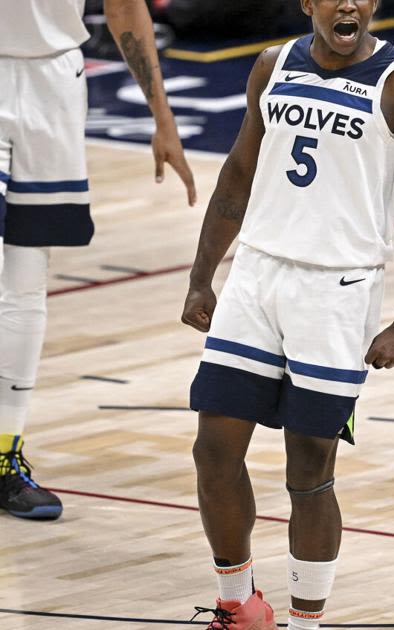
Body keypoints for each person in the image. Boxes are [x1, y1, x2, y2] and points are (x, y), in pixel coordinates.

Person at [180, 0, 394, 627]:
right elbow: (238, 173)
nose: (348, 3)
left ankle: (308, 622)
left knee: (309, 470)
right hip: (256, 275)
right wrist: (203, 275)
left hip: (338, 290)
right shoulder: (272, 65)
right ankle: (238, 603)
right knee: (213, 450)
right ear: (309, 3)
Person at [0, 0, 195, 521]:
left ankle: (4, 453)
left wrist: (163, 118)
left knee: (25, 281)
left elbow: (125, 9)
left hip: (54, 82)